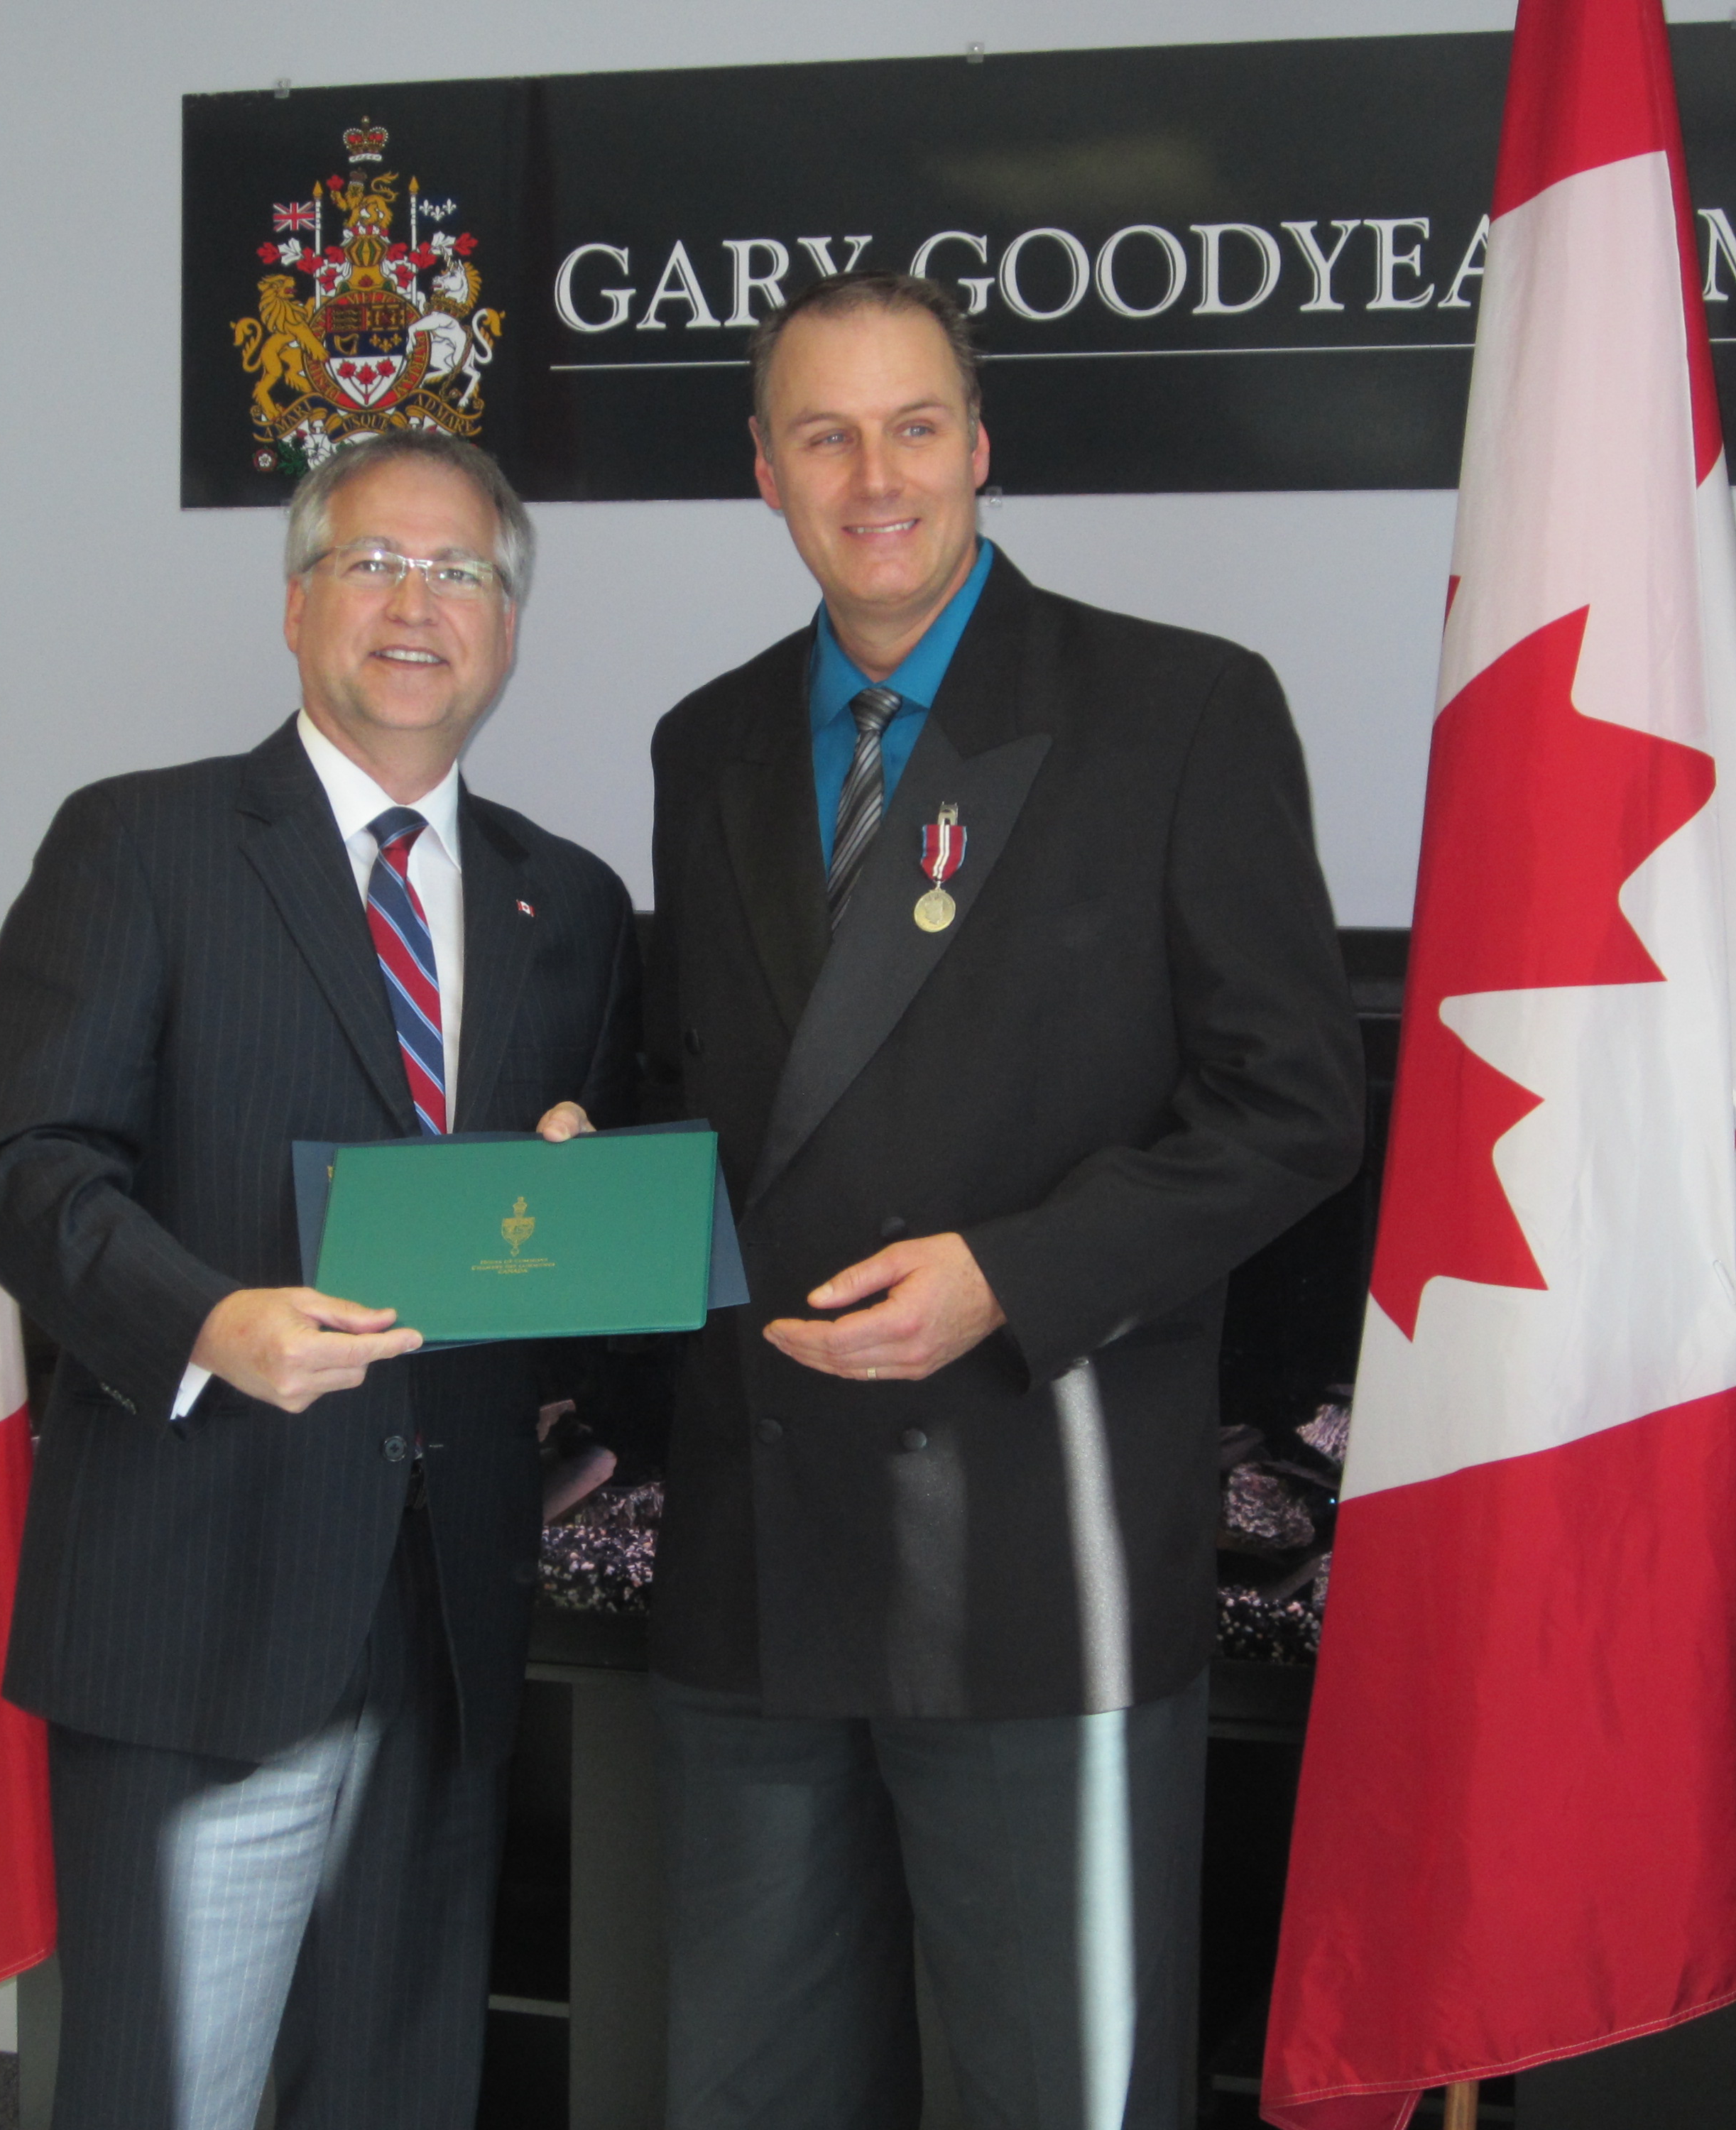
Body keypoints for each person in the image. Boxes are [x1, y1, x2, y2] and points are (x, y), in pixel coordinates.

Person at [562, 271, 1367, 2126]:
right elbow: (727, 1090)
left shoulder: (1177, 710)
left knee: (1049, 2092)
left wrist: (1013, 1274)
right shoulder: (713, 741)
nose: (876, 476)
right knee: (753, 2091)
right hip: (761, 1558)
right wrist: (590, 1160)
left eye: (913, 426)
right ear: (763, 472)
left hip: (1035, 1540)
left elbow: (1294, 1107)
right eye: (825, 435)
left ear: (981, 448)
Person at [0, 430, 636, 2130]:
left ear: (507, 624)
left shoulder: (574, 903)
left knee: (394, 2089)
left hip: (445, 1629)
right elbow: (22, 1174)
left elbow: (556, 1239)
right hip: (200, 1604)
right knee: (160, 2095)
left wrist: (577, 1185)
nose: (418, 606)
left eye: (460, 573)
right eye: (375, 565)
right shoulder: (140, 846)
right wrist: (204, 1319)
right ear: (295, 603)